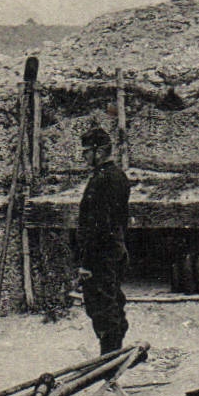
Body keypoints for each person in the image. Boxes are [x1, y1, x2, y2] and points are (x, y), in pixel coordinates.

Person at [77, 126, 131, 355]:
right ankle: (114, 354)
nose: (84, 157)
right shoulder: (119, 176)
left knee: (101, 307)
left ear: (98, 152)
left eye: (86, 152)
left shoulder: (100, 181)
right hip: (116, 250)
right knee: (114, 302)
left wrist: (87, 264)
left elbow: (97, 226)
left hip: (101, 255)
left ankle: (109, 363)